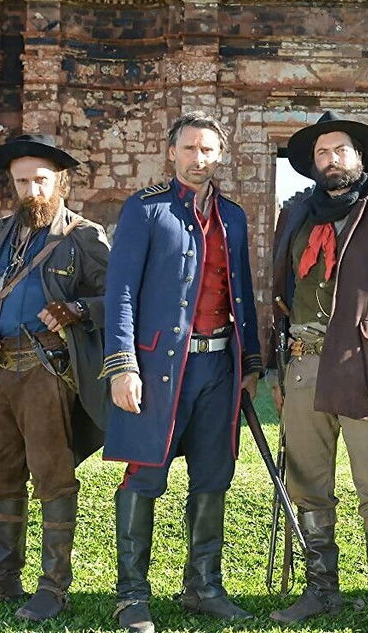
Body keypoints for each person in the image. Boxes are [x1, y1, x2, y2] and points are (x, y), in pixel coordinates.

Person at [101, 112, 263, 633]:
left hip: (220, 366)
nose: (199, 159)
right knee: (145, 473)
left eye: (208, 150)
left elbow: (243, 292)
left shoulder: (233, 217)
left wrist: (251, 362)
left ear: (220, 156)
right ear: (172, 152)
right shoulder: (145, 209)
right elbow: (120, 292)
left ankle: (203, 587)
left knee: (213, 475)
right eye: (189, 148)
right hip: (158, 368)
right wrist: (122, 364)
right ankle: (131, 596)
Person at [266, 111, 368, 633]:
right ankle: (321, 592)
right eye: (321, 153)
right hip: (303, 363)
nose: (330, 160)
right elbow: (280, 292)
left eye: (339, 150)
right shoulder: (295, 216)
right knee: (308, 483)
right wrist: (276, 367)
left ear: (360, 157)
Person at [0, 134, 110, 620]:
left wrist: (77, 309)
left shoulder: (84, 235)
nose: (32, 190)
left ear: (60, 181)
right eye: (22, 182)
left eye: (40, 180)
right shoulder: (0, 232)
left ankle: (53, 588)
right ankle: (1, 578)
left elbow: (118, 298)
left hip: (47, 370)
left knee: (53, 478)